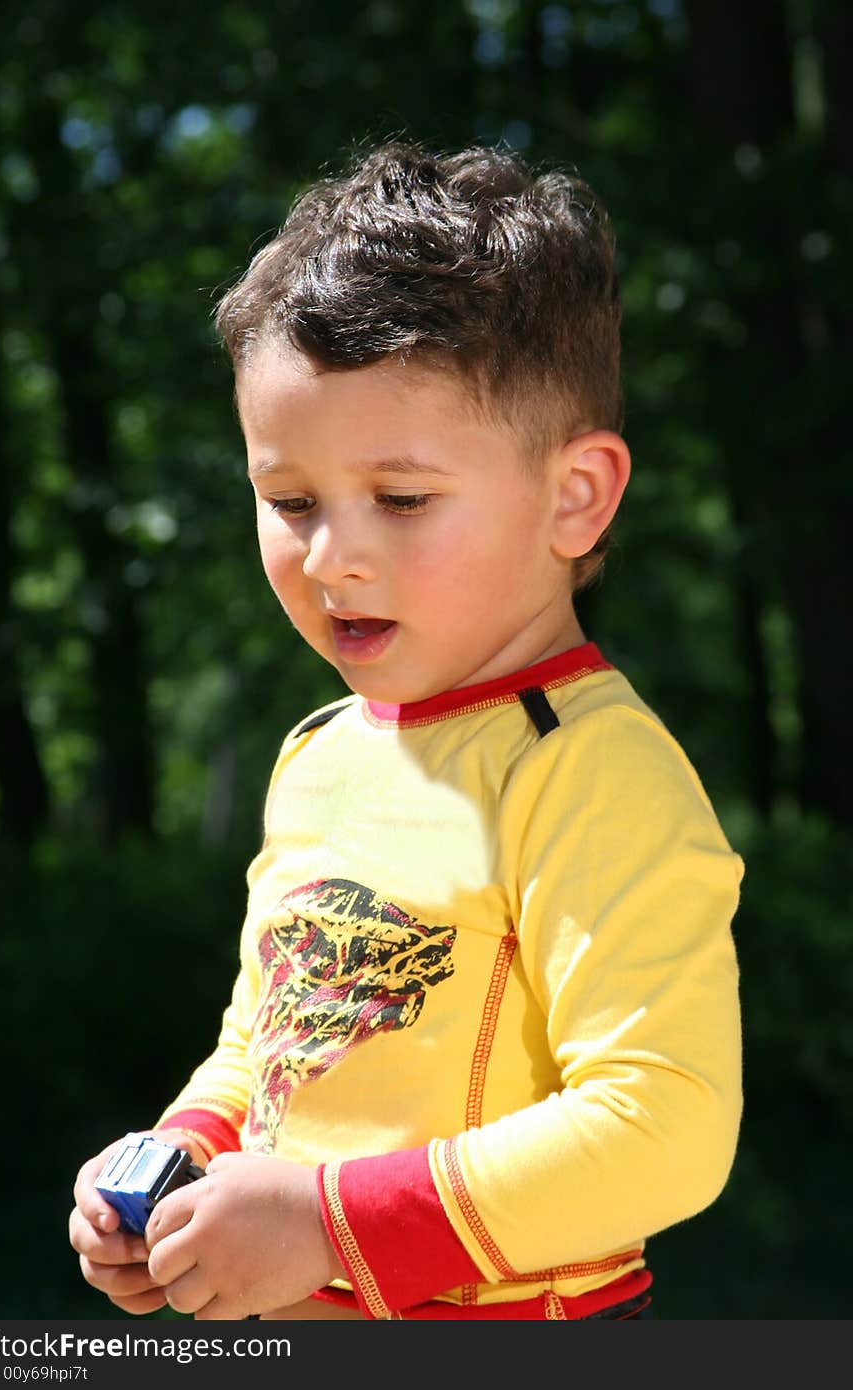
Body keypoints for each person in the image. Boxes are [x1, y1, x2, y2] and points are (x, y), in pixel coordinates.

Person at [68, 139, 744, 1322]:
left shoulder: (590, 769)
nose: (334, 556)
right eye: (291, 502)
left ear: (574, 495)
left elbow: (663, 1125)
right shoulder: (321, 753)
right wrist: (178, 1161)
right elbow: (269, 1044)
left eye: (402, 499)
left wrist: (326, 1221)